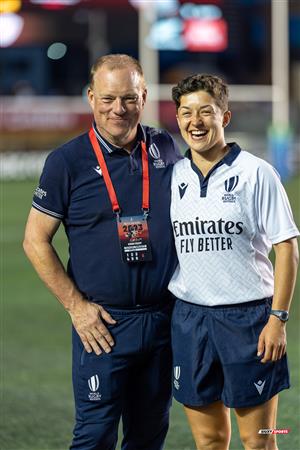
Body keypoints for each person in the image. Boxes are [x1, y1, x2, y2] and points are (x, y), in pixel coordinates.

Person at [23, 54, 182, 450]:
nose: (119, 109)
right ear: (91, 98)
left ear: (143, 97)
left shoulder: (165, 146)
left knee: (148, 437)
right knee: (94, 437)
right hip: (103, 327)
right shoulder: (67, 161)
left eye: (129, 98)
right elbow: (34, 240)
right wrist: (76, 306)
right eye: (109, 98)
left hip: (163, 322)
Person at [168, 74, 299, 450]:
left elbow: (287, 249)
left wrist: (278, 319)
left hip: (249, 321)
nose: (195, 121)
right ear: (177, 118)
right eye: (186, 112)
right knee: (209, 441)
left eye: (205, 112)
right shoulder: (173, 176)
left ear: (224, 117)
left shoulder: (257, 173)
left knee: (258, 441)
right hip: (190, 320)